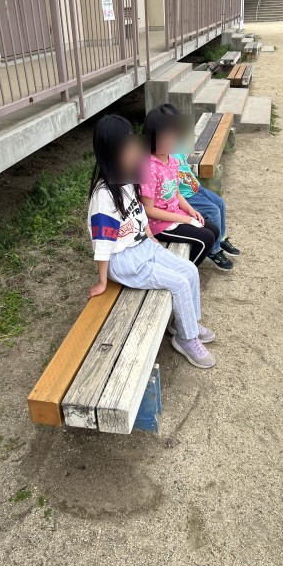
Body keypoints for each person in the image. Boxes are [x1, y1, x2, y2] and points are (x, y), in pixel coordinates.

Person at [87, 114, 216, 368]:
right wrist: (102, 280)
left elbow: (139, 213)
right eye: (128, 146)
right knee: (179, 283)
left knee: (190, 270)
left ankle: (187, 323)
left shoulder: (127, 179)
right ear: (111, 152)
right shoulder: (104, 195)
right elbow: (103, 242)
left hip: (143, 245)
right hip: (123, 260)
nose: (136, 151)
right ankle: (186, 338)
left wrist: (149, 235)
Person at [155, 106, 240, 271]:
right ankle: (214, 250)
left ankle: (221, 238)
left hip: (195, 187)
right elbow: (169, 186)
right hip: (186, 195)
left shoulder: (177, 145)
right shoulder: (164, 153)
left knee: (220, 202)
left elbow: (185, 165)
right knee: (213, 211)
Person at [141, 104, 222, 268]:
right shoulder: (148, 167)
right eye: (165, 136)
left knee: (214, 230)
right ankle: (183, 271)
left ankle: (182, 268)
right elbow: (148, 209)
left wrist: (191, 211)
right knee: (206, 239)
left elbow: (177, 194)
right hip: (159, 224)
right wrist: (185, 219)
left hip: (175, 214)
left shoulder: (172, 160)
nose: (171, 140)